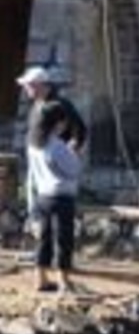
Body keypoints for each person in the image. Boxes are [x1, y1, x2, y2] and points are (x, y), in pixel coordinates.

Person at [25, 90, 82, 294]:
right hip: (61, 198)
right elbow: (73, 170)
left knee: (44, 239)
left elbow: (32, 174)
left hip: (42, 197)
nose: (65, 126)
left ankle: (40, 278)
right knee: (64, 240)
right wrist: (73, 150)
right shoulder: (57, 145)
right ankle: (64, 281)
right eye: (63, 122)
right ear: (57, 123)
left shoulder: (33, 145)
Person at [17, 66, 87, 152]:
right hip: (35, 153)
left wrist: (71, 148)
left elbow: (79, 128)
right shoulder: (36, 103)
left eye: (28, 86)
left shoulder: (59, 104)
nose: (26, 89)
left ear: (37, 85)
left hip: (53, 156)